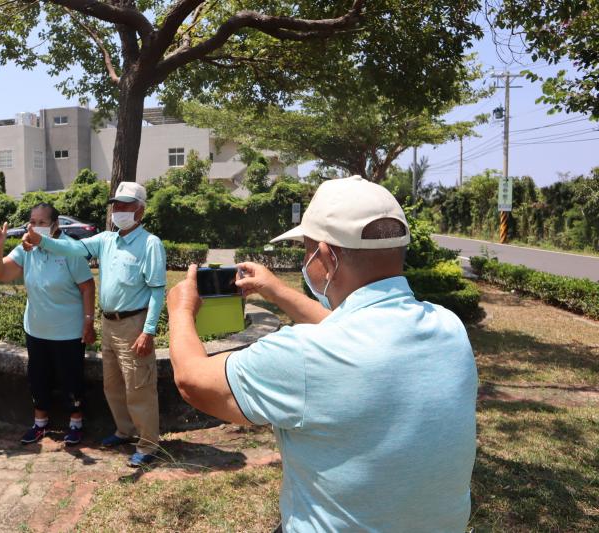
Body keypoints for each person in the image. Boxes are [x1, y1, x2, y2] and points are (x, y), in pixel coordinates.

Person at [166, 175, 477, 532]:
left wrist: (180, 309)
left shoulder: (303, 353)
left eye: (306, 250)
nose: (305, 260)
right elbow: (351, 336)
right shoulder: (448, 327)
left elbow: (193, 379)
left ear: (326, 257)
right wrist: (275, 290)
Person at [23, 182, 166, 468]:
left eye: (126, 206)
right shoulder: (107, 240)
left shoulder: (150, 243)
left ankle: (149, 443)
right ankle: (124, 431)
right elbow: (73, 248)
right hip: (109, 323)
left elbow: (157, 290)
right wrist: (44, 241)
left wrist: (148, 330)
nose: (119, 211)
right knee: (112, 385)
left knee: (139, 386)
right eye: (117, 205)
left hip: (133, 323)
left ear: (140, 210)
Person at [0, 202, 97, 446]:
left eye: (42, 223)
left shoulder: (69, 248)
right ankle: (40, 424)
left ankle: (76, 424)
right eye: (33, 222)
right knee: (38, 378)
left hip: (68, 331)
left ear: (55, 225)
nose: (36, 227)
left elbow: (87, 286)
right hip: (36, 329)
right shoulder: (27, 248)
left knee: (71, 379)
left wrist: (89, 321)